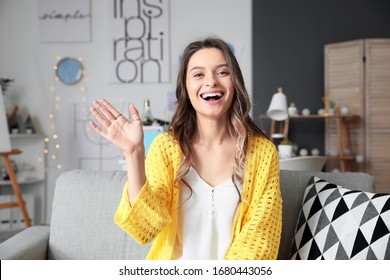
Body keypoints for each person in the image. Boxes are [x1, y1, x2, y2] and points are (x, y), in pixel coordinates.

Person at [89, 37, 282, 260]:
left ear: (235, 82)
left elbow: (261, 239)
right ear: (186, 88)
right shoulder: (166, 148)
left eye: (222, 72)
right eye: (198, 74)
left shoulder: (263, 153)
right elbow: (144, 229)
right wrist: (134, 154)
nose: (211, 82)